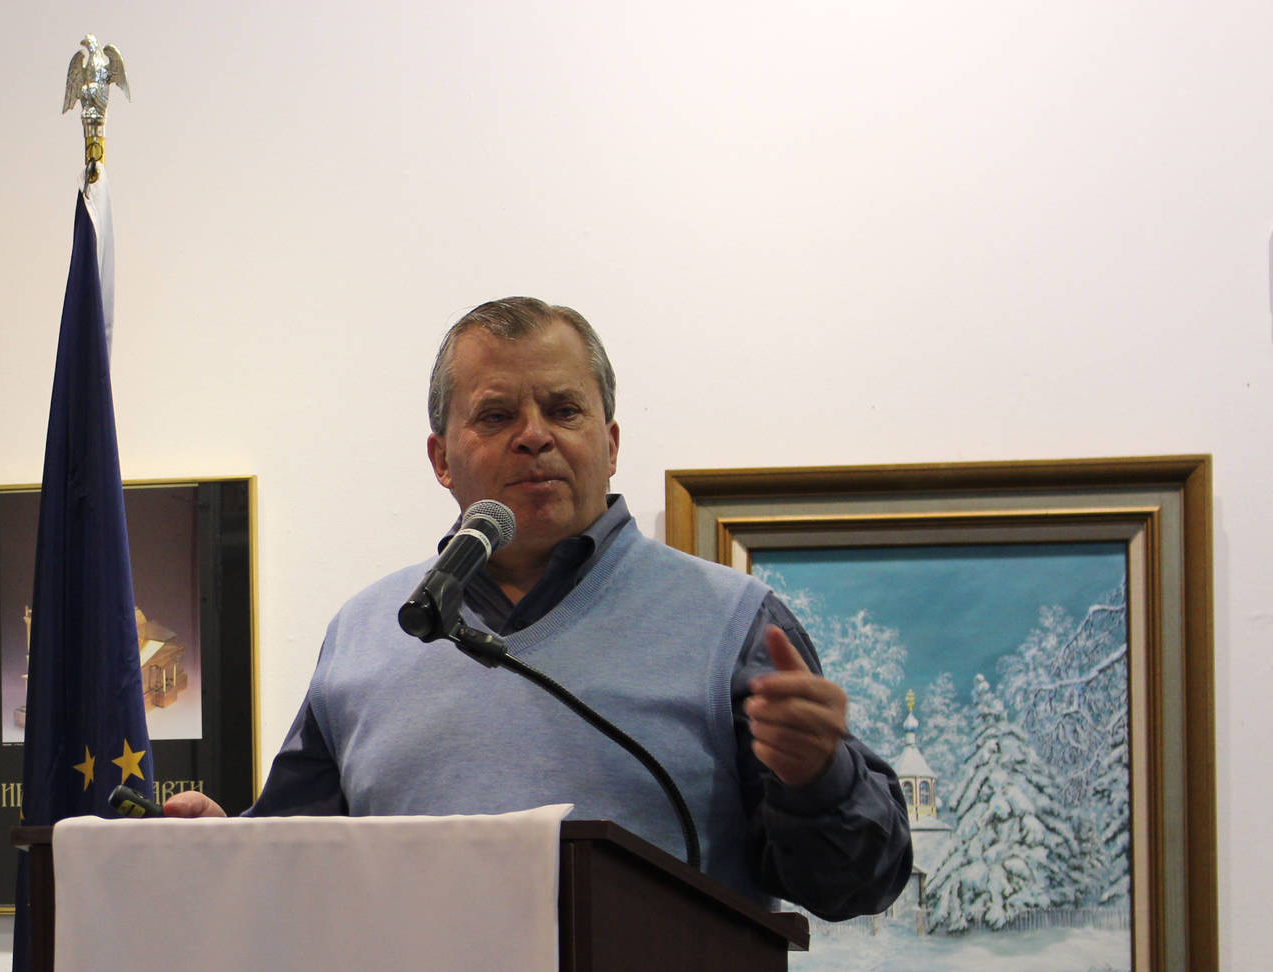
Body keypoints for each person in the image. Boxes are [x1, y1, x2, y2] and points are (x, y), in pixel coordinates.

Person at [162, 297, 909, 919]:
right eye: (495, 415)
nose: (534, 435)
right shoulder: (364, 633)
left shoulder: (733, 621)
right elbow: (300, 865)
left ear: (610, 443)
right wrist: (232, 851)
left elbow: (859, 884)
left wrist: (820, 777)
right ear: (441, 459)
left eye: (563, 409)